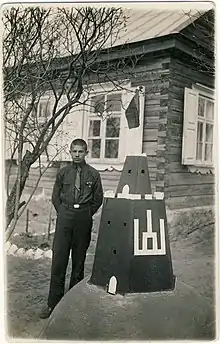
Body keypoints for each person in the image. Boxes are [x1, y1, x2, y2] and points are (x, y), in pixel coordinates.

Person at [40, 138, 103, 319]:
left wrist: (85, 212)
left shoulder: (93, 174)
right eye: (74, 151)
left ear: (86, 153)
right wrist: (64, 212)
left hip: (83, 217)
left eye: (80, 152)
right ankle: (52, 304)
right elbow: (55, 196)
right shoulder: (63, 173)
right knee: (59, 259)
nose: (77, 155)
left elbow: (97, 198)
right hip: (65, 216)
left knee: (78, 261)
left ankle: (73, 305)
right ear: (70, 152)